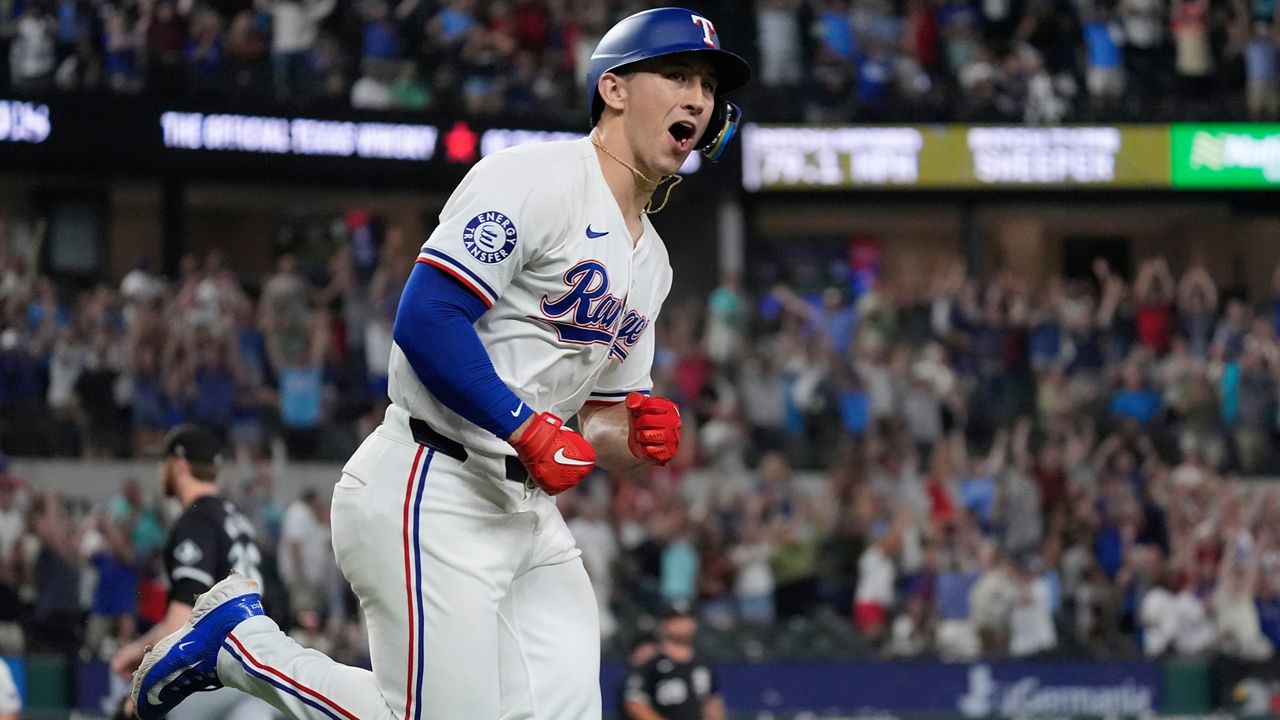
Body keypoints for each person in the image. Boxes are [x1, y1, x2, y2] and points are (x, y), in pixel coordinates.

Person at [130, 7, 750, 720]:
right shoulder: (535, 177)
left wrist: (632, 439)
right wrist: (523, 425)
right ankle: (242, 647)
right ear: (613, 89)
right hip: (432, 483)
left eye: (706, 84)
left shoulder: (654, 262)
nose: (698, 98)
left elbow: (603, 418)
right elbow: (425, 319)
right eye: (676, 74)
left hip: (527, 512)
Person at [111, 425, 278, 720]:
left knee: (136, 708)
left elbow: (179, 624)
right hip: (263, 671)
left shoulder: (196, 520)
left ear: (179, 465)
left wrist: (138, 654)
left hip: (218, 675)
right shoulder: (237, 518)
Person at [623, 605, 726, 720]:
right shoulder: (651, 665)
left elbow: (712, 702)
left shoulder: (702, 663)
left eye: (686, 619)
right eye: (676, 620)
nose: (682, 625)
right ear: (664, 624)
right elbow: (635, 703)